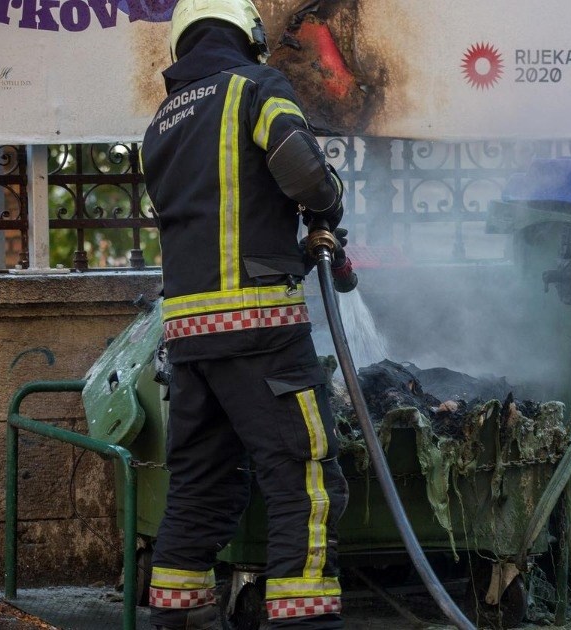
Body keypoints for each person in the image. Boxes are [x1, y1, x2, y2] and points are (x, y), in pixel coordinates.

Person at [139, 0, 355, 626]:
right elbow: (303, 172)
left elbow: (218, 218)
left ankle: (176, 617)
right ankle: (304, 619)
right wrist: (328, 207)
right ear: (249, 35)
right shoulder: (256, 86)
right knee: (304, 482)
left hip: (188, 337)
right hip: (261, 330)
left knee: (200, 488)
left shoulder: (161, 123)